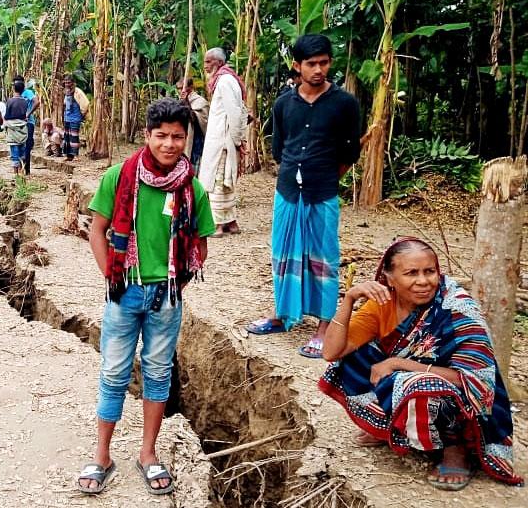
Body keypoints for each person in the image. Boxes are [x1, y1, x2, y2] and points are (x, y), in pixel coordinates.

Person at [77, 98, 215, 496]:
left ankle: (148, 454)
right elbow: (97, 230)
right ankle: (101, 455)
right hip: (124, 291)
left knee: (158, 374)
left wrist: (175, 286)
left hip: (167, 296)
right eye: (162, 136)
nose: (170, 144)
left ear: (186, 139)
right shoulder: (119, 177)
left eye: (178, 137)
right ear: (147, 136)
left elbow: (199, 247)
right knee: (114, 372)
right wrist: (113, 275)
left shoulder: (193, 189)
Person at [320, 237, 522, 491]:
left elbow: (472, 379)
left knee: (421, 385)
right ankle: (389, 427)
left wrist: (396, 363)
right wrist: (349, 299)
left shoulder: (456, 308)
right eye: (411, 273)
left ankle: (454, 450)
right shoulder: (382, 305)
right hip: (406, 384)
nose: (423, 281)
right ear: (390, 277)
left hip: (456, 395)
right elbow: (331, 352)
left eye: (430, 271)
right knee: (351, 358)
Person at [246, 34, 362, 358]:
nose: (318, 69)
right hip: (287, 192)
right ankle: (283, 315)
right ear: (297, 66)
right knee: (283, 255)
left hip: (322, 193)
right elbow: (280, 150)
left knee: (323, 259)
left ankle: (324, 327)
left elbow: (349, 153)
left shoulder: (344, 104)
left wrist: (323, 176)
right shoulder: (284, 103)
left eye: (324, 62)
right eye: (311, 64)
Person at [196, 48, 247, 237]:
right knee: (225, 181)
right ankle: (231, 222)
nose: (205, 66)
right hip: (223, 139)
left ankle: (217, 225)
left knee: (218, 181)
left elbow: (234, 112)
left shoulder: (225, 81)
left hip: (222, 141)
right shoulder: (227, 80)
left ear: (217, 62)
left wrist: (237, 139)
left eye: (208, 62)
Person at [176, 77, 210, 172]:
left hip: (196, 142)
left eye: (182, 88)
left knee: (193, 170)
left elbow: (198, 120)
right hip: (183, 140)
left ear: (190, 87)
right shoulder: (179, 101)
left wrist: (186, 103)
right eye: (178, 88)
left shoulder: (201, 102)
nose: (180, 91)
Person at [3, 80, 29, 175]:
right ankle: (22, 171)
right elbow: (24, 114)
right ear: (23, 90)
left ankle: (16, 174)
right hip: (22, 126)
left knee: (14, 152)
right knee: (22, 151)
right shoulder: (25, 101)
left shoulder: (10, 101)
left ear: (14, 89)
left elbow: (7, 115)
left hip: (12, 128)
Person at [62, 75, 89, 161]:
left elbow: (85, 104)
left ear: (73, 83)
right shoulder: (66, 92)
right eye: (65, 82)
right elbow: (65, 105)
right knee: (67, 137)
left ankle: (76, 156)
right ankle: (69, 156)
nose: (67, 84)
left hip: (75, 118)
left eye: (69, 82)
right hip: (67, 118)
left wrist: (82, 115)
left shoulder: (78, 92)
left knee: (74, 137)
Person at [21, 78, 42, 174]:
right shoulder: (16, 95)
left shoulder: (28, 92)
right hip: (19, 124)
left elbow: (37, 102)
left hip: (29, 122)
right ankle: (22, 169)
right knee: (20, 146)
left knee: (27, 146)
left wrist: (28, 114)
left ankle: (27, 170)